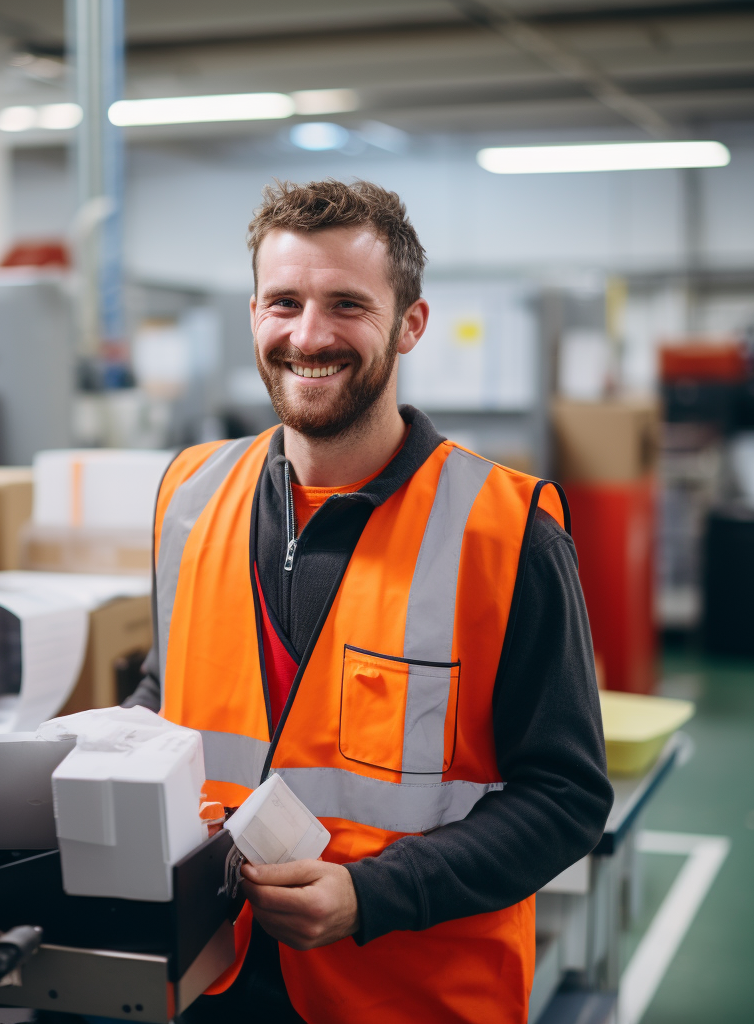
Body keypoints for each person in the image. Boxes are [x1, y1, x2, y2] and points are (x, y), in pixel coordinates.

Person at [125, 179, 613, 1024]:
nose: (308, 335)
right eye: (284, 302)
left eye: (347, 304)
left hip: (405, 990)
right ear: (253, 315)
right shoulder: (189, 494)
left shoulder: (508, 532)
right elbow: (165, 697)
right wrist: (87, 757)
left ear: (409, 324)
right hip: (207, 974)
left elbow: (566, 797)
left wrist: (370, 895)